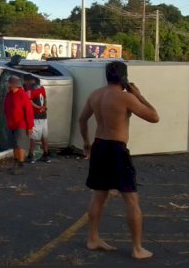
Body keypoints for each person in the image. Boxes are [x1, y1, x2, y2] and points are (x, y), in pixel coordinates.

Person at [77, 61, 159, 260]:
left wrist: (87, 143)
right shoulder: (126, 98)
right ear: (124, 77)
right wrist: (138, 94)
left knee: (98, 195)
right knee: (131, 199)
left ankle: (93, 238)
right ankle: (137, 248)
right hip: (116, 149)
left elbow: (82, 120)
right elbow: (154, 117)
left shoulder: (95, 95)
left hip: (99, 145)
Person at [4, 75, 34, 175]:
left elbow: (29, 111)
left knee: (20, 144)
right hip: (11, 124)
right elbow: (6, 107)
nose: (8, 85)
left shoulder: (23, 95)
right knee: (14, 145)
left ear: (14, 85)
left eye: (9, 84)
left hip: (21, 124)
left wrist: (30, 126)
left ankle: (21, 165)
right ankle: (16, 163)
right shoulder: (9, 94)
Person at [24, 75, 50, 163]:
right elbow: (45, 98)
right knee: (44, 135)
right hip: (43, 115)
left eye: (26, 81)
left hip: (35, 116)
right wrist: (43, 107)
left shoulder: (29, 90)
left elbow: (29, 102)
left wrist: (38, 107)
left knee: (33, 136)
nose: (25, 83)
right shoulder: (42, 88)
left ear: (30, 81)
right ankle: (46, 154)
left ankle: (31, 155)